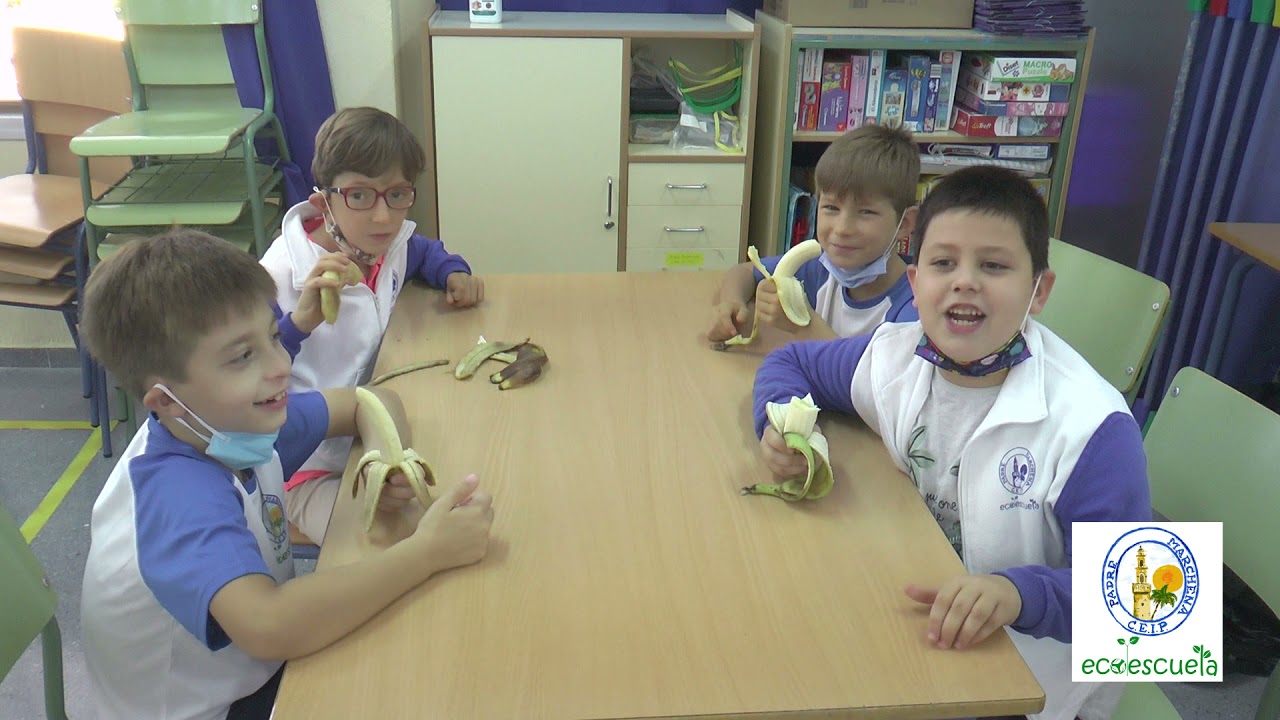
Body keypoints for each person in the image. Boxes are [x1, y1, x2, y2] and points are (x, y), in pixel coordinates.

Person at [750, 166, 1151, 720]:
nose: (965, 282)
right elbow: (791, 363)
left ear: (1039, 290)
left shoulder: (1092, 427)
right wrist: (782, 425)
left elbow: (1147, 609)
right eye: (943, 263)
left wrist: (1020, 595)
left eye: (994, 265)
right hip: (916, 628)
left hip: (1028, 682)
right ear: (916, 285)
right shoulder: (894, 356)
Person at [79, 229, 494, 720]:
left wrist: (384, 463)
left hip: (247, 671)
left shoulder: (226, 423)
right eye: (243, 356)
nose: (280, 365)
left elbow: (369, 400)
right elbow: (269, 626)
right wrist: (428, 552)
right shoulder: (176, 494)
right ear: (167, 401)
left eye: (273, 336)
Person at [261, 106, 485, 544]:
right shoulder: (277, 277)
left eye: (397, 194)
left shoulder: (385, 243)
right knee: (383, 543)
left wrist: (453, 272)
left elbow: (423, 251)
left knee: (460, 479)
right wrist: (298, 324)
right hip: (307, 465)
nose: (383, 217)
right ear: (324, 202)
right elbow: (246, 377)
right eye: (360, 196)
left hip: (374, 427)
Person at [708, 124, 921, 344]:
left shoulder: (918, 305)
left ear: (905, 223)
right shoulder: (820, 268)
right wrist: (732, 303)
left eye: (866, 212)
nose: (842, 229)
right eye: (831, 208)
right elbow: (745, 272)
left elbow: (869, 367)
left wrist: (801, 325)